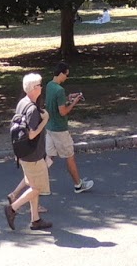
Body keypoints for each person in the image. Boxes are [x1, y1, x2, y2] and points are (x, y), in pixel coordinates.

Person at [5, 72, 52, 232]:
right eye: (39, 85)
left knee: (33, 186)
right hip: (33, 156)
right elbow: (32, 134)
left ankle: (35, 220)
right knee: (37, 188)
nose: (41, 87)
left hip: (23, 153)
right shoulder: (32, 109)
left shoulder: (23, 103)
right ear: (33, 88)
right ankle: (12, 208)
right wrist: (45, 121)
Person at [44, 61, 94, 192]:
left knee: (49, 157)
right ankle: (78, 184)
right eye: (66, 75)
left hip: (49, 127)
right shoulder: (59, 90)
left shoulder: (49, 85)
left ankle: (39, 184)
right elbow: (63, 111)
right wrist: (74, 102)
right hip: (60, 129)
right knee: (69, 156)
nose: (67, 77)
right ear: (61, 73)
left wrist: (68, 98)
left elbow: (55, 103)